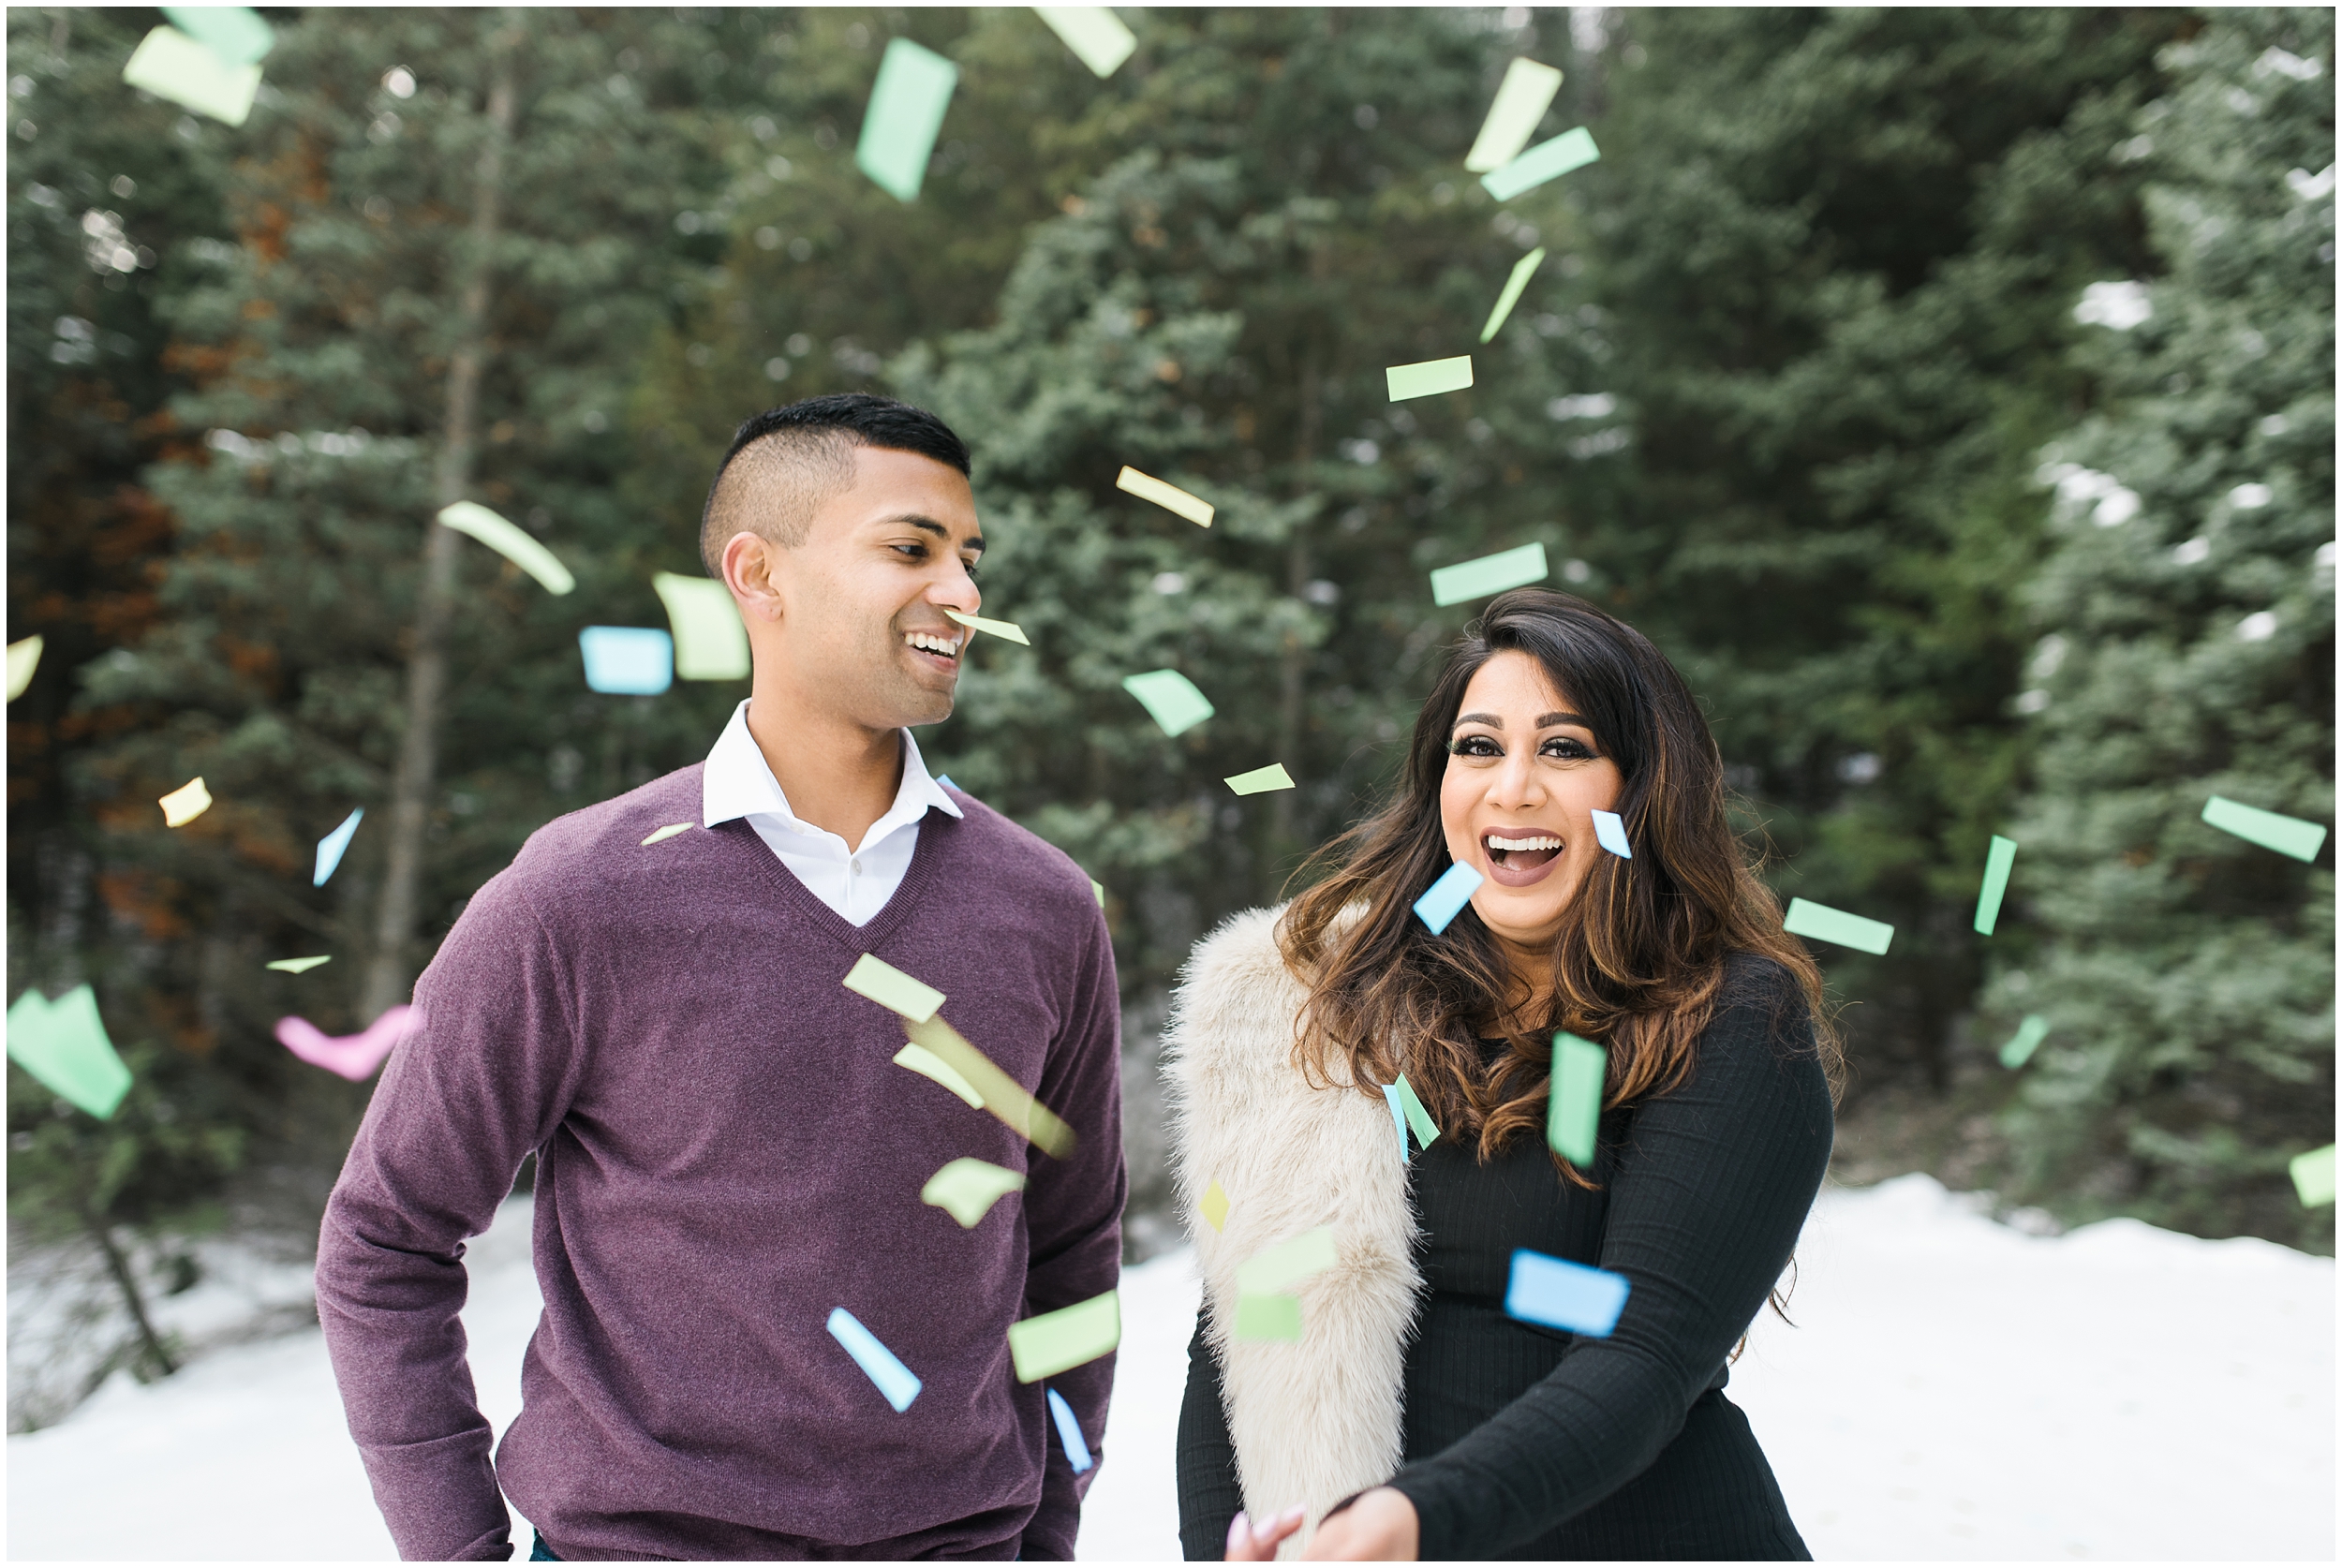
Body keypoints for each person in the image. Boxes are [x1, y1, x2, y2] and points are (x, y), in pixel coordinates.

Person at [317, 394, 1125, 1561]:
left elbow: (1072, 1252)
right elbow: (385, 1242)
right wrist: (455, 1553)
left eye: (969, 558)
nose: (963, 593)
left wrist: (1043, 1537)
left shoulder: (1044, 907)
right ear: (760, 573)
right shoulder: (579, 897)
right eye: (910, 549)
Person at [1164, 588, 1839, 1561]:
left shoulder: (1729, 1019)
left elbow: (1639, 1358)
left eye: (1564, 750)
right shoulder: (1331, 1006)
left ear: (1641, 791)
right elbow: (1246, 1318)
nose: (1511, 788)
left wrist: (1415, 1519)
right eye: (1477, 748)